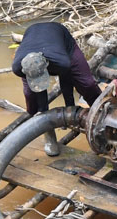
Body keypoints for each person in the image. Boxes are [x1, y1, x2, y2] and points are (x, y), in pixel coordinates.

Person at [11, 21, 104, 157]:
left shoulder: (61, 61)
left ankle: (101, 114)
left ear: (47, 65)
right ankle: (48, 134)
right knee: (31, 97)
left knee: (87, 84)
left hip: (62, 40)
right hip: (33, 36)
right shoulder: (18, 67)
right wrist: (38, 111)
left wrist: (70, 109)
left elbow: (66, 83)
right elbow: (37, 91)